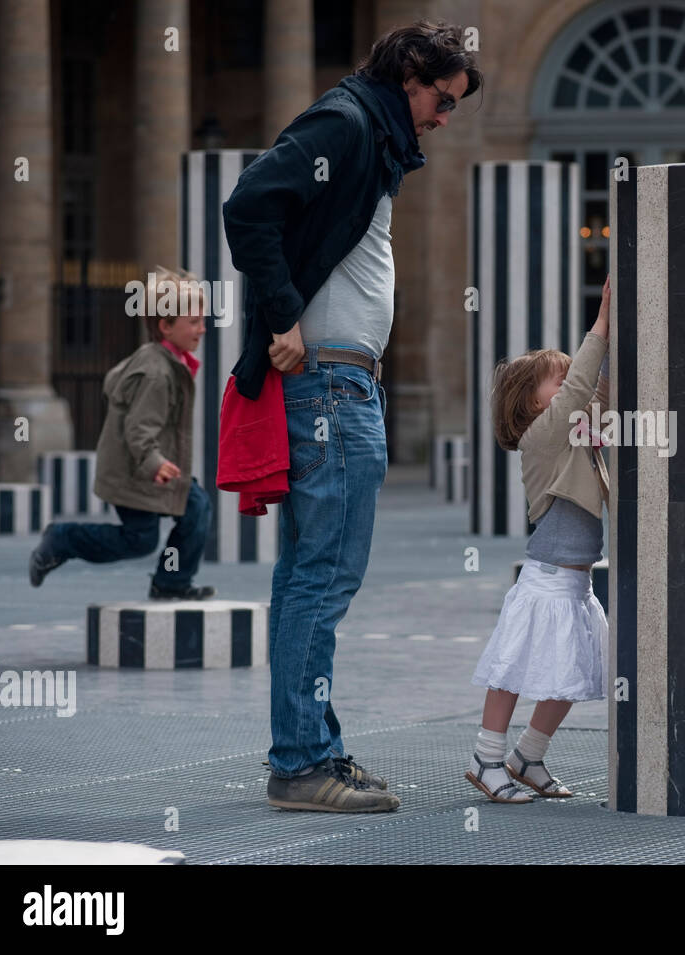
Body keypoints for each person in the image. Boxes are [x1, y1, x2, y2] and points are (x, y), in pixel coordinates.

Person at [222, 20, 482, 813]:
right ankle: (302, 763)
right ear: (408, 74)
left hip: (340, 385)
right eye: (442, 100)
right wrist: (281, 322)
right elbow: (249, 206)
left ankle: (314, 747)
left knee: (311, 576)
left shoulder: (369, 133)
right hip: (329, 388)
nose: (444, 119)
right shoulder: (347, 121)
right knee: (322, 578)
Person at [467, 276, 612, 803]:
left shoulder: (574, 430)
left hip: (576, 583)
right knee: (513, 669)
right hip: (547, 579)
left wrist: (616, 339)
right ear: (530, 404)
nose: (571, 384)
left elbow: (600, 391)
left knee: (568, 677)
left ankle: (527, 755)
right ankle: (487, 759)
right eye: (559, 380)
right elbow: (581, 393)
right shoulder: (544, 435)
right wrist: (600, 323)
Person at [28, 266, 214, 600]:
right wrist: (154, 462)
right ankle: (62, 539)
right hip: (137, 471)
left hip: (152, 468)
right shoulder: (157, 373)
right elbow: (139, 428)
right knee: (139, 540)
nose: (203, 328)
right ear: (165, 326)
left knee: (197, 508)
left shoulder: (168, 361)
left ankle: (171, 582)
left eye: (203, 320)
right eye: (194, 322)